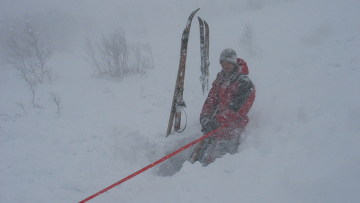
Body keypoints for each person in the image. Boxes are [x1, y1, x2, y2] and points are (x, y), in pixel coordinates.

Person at [191, 48, 256, 166]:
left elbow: (237, 109)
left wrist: (217, 121)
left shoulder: (244, 82)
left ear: (234, 63)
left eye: (228, 63)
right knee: (198, 160)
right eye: (223, 63)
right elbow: (211, 101)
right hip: (214, 129)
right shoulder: (220, 80)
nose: (225, 66)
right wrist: (205, 118)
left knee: (217, 165)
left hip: (231, 130)